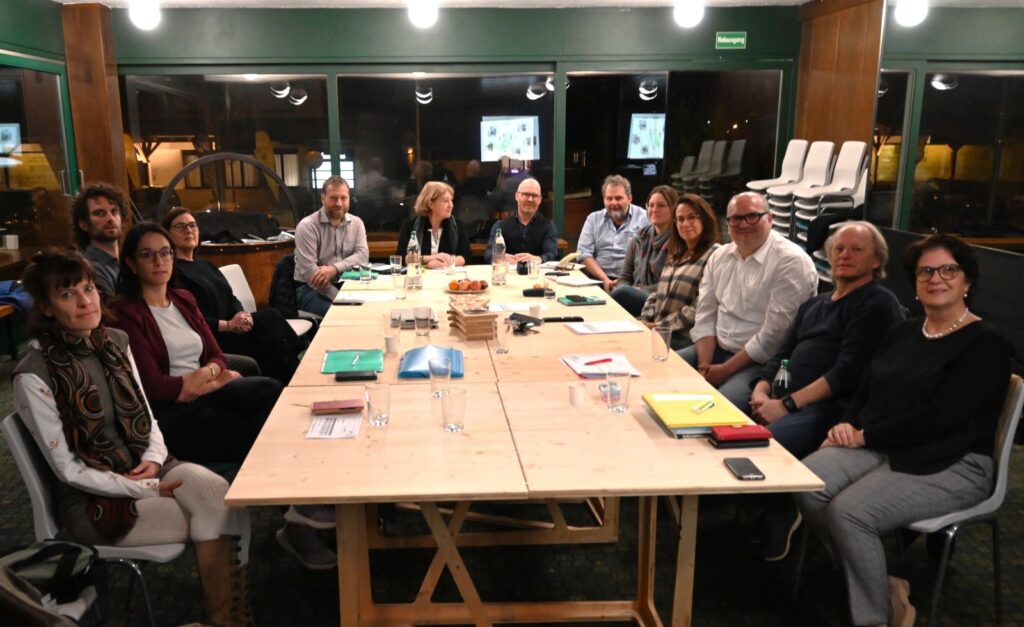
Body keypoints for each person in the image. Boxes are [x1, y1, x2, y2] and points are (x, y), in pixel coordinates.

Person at [13, 249, 253, 625]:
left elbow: (146, 413)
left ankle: (227, 619)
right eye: (67, 294)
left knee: (223, 495)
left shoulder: (115, 342)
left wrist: (155, 460)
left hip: (146, 466)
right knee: (217, 514)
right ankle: (228, 620)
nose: (84, 301)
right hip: (94, 499)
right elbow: (67, 470)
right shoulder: (34, 374)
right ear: (45, 307)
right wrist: (142, 488)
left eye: (88, 288)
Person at [795, 234, 1011, 627]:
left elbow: (942, 418)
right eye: (925, 271)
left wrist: (865, 436)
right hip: (886, 444)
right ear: (914, 281)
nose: (936, 278)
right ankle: (878, 580)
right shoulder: (906, 332)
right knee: (806, 481)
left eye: (948, 270)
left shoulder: (986, 343)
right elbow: (865, 387)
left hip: (955, 460)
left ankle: (877, 617)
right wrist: (848, 423)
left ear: (968, 281)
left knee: (850, 513)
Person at [111, 223, 336, 570]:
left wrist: (207, 378)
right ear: (131, 263)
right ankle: (298, 521)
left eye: (165, 252)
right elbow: (154, 386)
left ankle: (298, 512)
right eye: (148, 254)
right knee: (254, 432)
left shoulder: (183, 300)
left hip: (204, 391)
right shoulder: (128, 314)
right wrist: (204, 380)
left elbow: (215, 354)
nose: (160, 261)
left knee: (270, 391)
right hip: (171, 414)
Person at [745, 222, 903, 562]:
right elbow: (782, 352)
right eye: (838, 249)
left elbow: (847, 373)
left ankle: (782, 513)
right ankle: (754, 512)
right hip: (783, 396)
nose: (844, 255)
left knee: (761, 447)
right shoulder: (815, 304)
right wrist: (761, 388)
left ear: (876, 261)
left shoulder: (876, 302)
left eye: (856, 249)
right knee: (721, 430)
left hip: (830, 409)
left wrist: (785, 405)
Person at [681, 192, 817, 412]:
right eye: (735, 218)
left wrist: (724, 370)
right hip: (715, 350)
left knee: (716, 408)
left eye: (752, 216)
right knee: (660, 373)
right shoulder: (720, 256)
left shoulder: (791, 262)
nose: (743, 224)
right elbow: (705, 314)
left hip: (760, 362)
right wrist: (705, 367)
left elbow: (773, 337)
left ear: (770, 219)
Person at [162, 207, 304, 384]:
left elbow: (231, 297)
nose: (189, 230)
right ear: (167, 235)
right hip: (214, 336)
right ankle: (297, 375)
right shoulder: (173, 273)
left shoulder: (207, 266)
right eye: (180, 227)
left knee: (272, 327)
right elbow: (191, 318)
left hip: (234, 328)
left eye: (192, 225)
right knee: (271, 321)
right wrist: (228, 325)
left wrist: (242, 316)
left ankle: (294, 377)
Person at [639, 193, 720, 349]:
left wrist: (658, 326)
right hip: (660, 328)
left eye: (692, 217)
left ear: (704, 219)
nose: (685, 223)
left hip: (685, 335)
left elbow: (699, 307)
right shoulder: (675, 253)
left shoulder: (714, 255)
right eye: (680, 219)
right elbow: (657, 293)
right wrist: (646, 319)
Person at [293, 176, 369, 316]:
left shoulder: (357, 223)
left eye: (343, 198)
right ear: (323, 198)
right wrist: (341, 298)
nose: (339, 203)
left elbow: (363, 256)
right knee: (342, 314)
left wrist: (334, 269)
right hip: (310, 289)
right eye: (333, 198)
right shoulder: (307, 226)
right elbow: (311, 274)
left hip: (348, 282)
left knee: (373, 308)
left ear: (349, 198)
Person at [576, 175, 650, 291]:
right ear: (604, 199)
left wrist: (624, 281)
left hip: (632, 283)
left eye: (618, 198)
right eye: (609, 198)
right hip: (597, 280)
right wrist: (604, 279)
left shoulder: (645, 218)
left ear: (629, 198)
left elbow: (648, 256)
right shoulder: (593, 219)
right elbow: (583, 253)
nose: (613, 203)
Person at [611, 185, 676, 316]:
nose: (654, 210)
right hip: (633, 294)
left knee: (621, 293)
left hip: (660, 299)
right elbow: (625, 277)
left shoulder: (678, 243)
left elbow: (672, 284)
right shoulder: (638, 239)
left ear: (673, 209)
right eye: (651, 205)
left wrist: (637, 290)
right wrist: (631, 290)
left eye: (661, 205)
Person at [396, 181, 471, 268]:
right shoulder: (410, 226)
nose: (451, 205)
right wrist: (432, 258)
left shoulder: (458, 225)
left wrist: (443, 264)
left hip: (448, 277)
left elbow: (466, 256)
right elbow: (403, 258)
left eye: (451, 200)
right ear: (431, 204)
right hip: (419, 277)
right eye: (446, 201)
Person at [71, 182, 127, 298]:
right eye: (100, 213)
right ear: (84, 225)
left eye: (114, 211)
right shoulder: (86, 267)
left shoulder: (128, 259)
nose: (110, 218)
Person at [484, 178, 559, 263]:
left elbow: (552, 254)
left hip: (536, 274)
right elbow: (489, 254)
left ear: (540, 200)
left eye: (534, 196)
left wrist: (539, 259)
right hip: (508, 274)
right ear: (517, 196)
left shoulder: (548, 227)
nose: (530, 199)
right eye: (526, 194)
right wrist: (500, 258)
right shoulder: (500, 226)